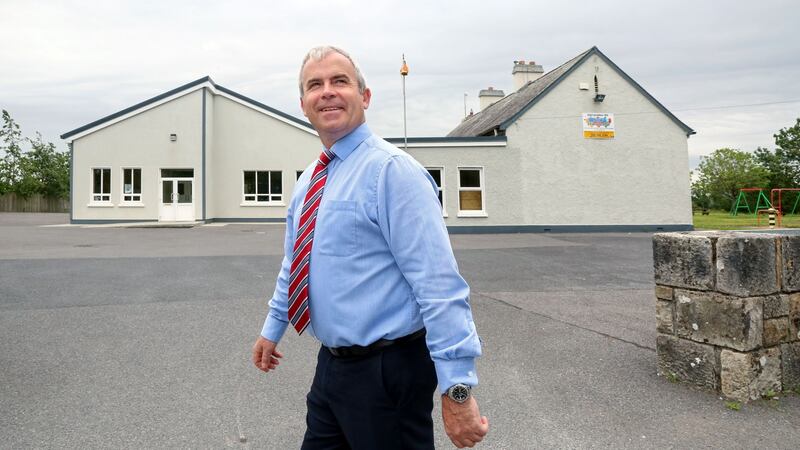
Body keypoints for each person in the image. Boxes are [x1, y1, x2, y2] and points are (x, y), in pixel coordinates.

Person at [252, 45, 488, 449]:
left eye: (339, 81)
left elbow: (439, 286)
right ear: (304, 105)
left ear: (364, 97)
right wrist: (273, 328)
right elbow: (296, 261)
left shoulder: (393, 173)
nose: (327, 91)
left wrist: (458, 389)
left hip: (388, 372)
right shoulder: (310, 179)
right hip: (332, 367)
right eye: (315, 85)